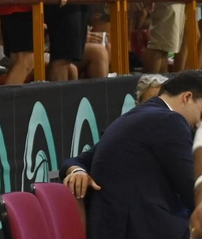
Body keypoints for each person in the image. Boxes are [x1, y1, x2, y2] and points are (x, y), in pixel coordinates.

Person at [61, 68, 202, 239]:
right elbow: (191, 188)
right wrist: (77, 170)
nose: (199, 123)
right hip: (137, 228)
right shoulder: (170, 120)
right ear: (187, 97)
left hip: (115, 227)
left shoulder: (133, 117)